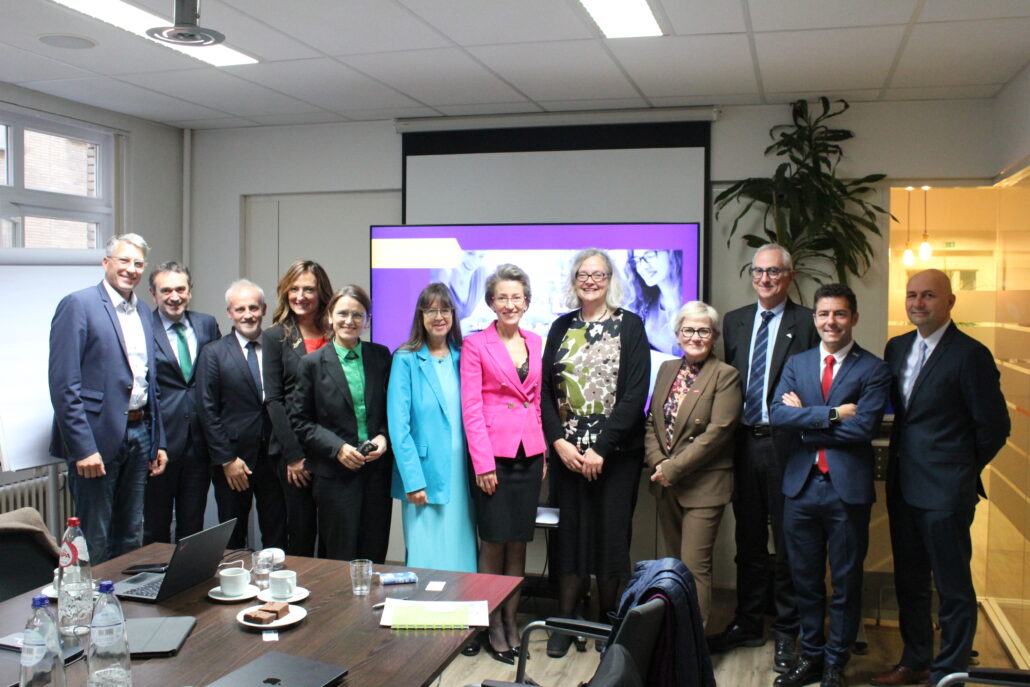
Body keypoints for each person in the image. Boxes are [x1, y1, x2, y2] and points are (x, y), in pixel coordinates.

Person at [872, 269, 1009, 687]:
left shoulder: (971, 354)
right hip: (903, 487)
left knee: (952, 586)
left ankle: (950, 671)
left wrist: (961, 471)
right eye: (912, 295)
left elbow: (994, 427)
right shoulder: (896, 348)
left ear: (950, 301)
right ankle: (915, 661)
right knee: (910, 580)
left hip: (946, 492)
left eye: (929, 295)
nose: (918, 303)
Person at [769, 284, 891, 687]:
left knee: (845, 581)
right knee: (803, 579)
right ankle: (813, 658)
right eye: (823, 314)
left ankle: (836, 664)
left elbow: (864, 428)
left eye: (839, 314)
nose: (830, 322)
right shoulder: (798, 363)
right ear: (814, 318)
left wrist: (808, 421)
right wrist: (835, 414)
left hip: (846, 491)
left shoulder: (873, 369)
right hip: (801, 489)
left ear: (853, 318)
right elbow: (777, 416)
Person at [709, 243, 819, 672]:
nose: (766, 279)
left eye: (774, 272)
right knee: (748, 539)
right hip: (742, 444)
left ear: (789, 276)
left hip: (788, 446)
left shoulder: (808, 322)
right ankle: (748, 621)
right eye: (758, 272)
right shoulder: (735, 322)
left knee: (789, 542)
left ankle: (787, 632)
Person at [541, 248, 650, 657]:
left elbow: (636, 393)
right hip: (568, 455)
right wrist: (559, 442)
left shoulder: (630, 326)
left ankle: (609, 625)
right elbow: (544, 395)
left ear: (609, 280)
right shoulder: (560, 326)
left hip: (616, 457)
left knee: (610, 539)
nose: (590, 280)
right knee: (569, 539)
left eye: (598, 274)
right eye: (583, 274)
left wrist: (601, 448)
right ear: (574, 280)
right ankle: (565, 622)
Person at [48, 233, 167, 563]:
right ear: (106, 263)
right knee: (94, 535)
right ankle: (89, 611)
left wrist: (159, 441)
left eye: (138, 263)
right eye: (124, 260)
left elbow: (148, 382)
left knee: (131, 533)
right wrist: (82, 447)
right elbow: (63, 385)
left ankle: (122, 608)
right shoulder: (78, 305)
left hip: (140, 434)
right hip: (95, 440)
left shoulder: (144, 311)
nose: (131, 269)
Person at [460, 264, 546, 664]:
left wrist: (542, 449)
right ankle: (491, 623)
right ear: (490, 302)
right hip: (492, 457)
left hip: (529, 455)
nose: (510, 304)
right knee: (493, 543)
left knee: (519, 543)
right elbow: (472, 408)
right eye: (502, 297)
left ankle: (513, 623)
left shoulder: (536, 340)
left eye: (517, 297)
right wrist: (482, 463)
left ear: (526, 302)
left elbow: (539, 402)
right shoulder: (476, 344)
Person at [645, 301, 741, 628]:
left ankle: (691, 645)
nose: (695, 337)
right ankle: (673, 634)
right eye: (688, 330)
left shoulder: (726, 375)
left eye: (703, 331)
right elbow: (652, 423)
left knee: (694, 567)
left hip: (704, 486)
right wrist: (659, 463)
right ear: (677, 334)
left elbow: (718, 434)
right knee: (673, 566)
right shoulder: (667, 369)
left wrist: (672, 469)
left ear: (714, 336)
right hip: (666, 483)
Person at [289, 285, 393, 562]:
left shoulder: (381, 356)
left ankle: (372, 606)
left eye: (358, 315)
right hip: (334, 475)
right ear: (330, 317)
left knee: (374, 552)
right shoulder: (311, 364)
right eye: (343, 314)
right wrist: (337, 448)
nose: (350, 321)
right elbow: (300, 421)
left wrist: (383, 436)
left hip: (375, 473)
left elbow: (392, 410)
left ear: (367, 320)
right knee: (338, 556)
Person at [388, 283, 477, 573]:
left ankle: (463, 613)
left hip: (462, 474)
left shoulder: (464, 357)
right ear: (420, 316)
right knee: (427, 556)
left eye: (445, 309)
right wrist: (413, 479)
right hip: (423, 475)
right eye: (431, 310)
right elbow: (398, 427)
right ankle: (423, 614)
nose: (439, 316)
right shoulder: (405, 359)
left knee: (461, 550)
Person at [196, 279, 286, 550]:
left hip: (274, 456)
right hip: (234, 461)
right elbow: (207, 409)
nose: (247, 315)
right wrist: (226, 459)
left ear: (264, 309)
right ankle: (235, 588)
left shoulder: (278, 347)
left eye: (253, 308)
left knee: (277, 531)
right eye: (240, 309)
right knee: (233, 535)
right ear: (229, 313)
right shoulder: (213, 353)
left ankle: (276, 588)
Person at [143, 261, 220, 544]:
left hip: (199, 443)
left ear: (190, 291)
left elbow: (217, 374)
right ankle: (153, 584)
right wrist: (155, 442)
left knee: (192, 524)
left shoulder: (206, 324)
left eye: (180, 289)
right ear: (153, 293)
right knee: (155, 526)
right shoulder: (143, 327)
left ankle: (187, 584)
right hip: (161, 444)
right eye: (166, 290)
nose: (174, 296)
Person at [262, 260, 333, 556]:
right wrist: (293, 456)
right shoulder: (275, 336)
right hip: (295, 453)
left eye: (309, 289)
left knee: (333, 532)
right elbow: (274, 400)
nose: (300, 296)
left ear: (322, 293)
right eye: (294, 289)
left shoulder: (336, 332)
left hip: (332, 448)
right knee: (301, 532)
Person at [627, 249, 682, 356]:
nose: (642, 267)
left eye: (650, 255)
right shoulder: (645, 302)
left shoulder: (691, 303)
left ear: (671, 254)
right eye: (637, 260)